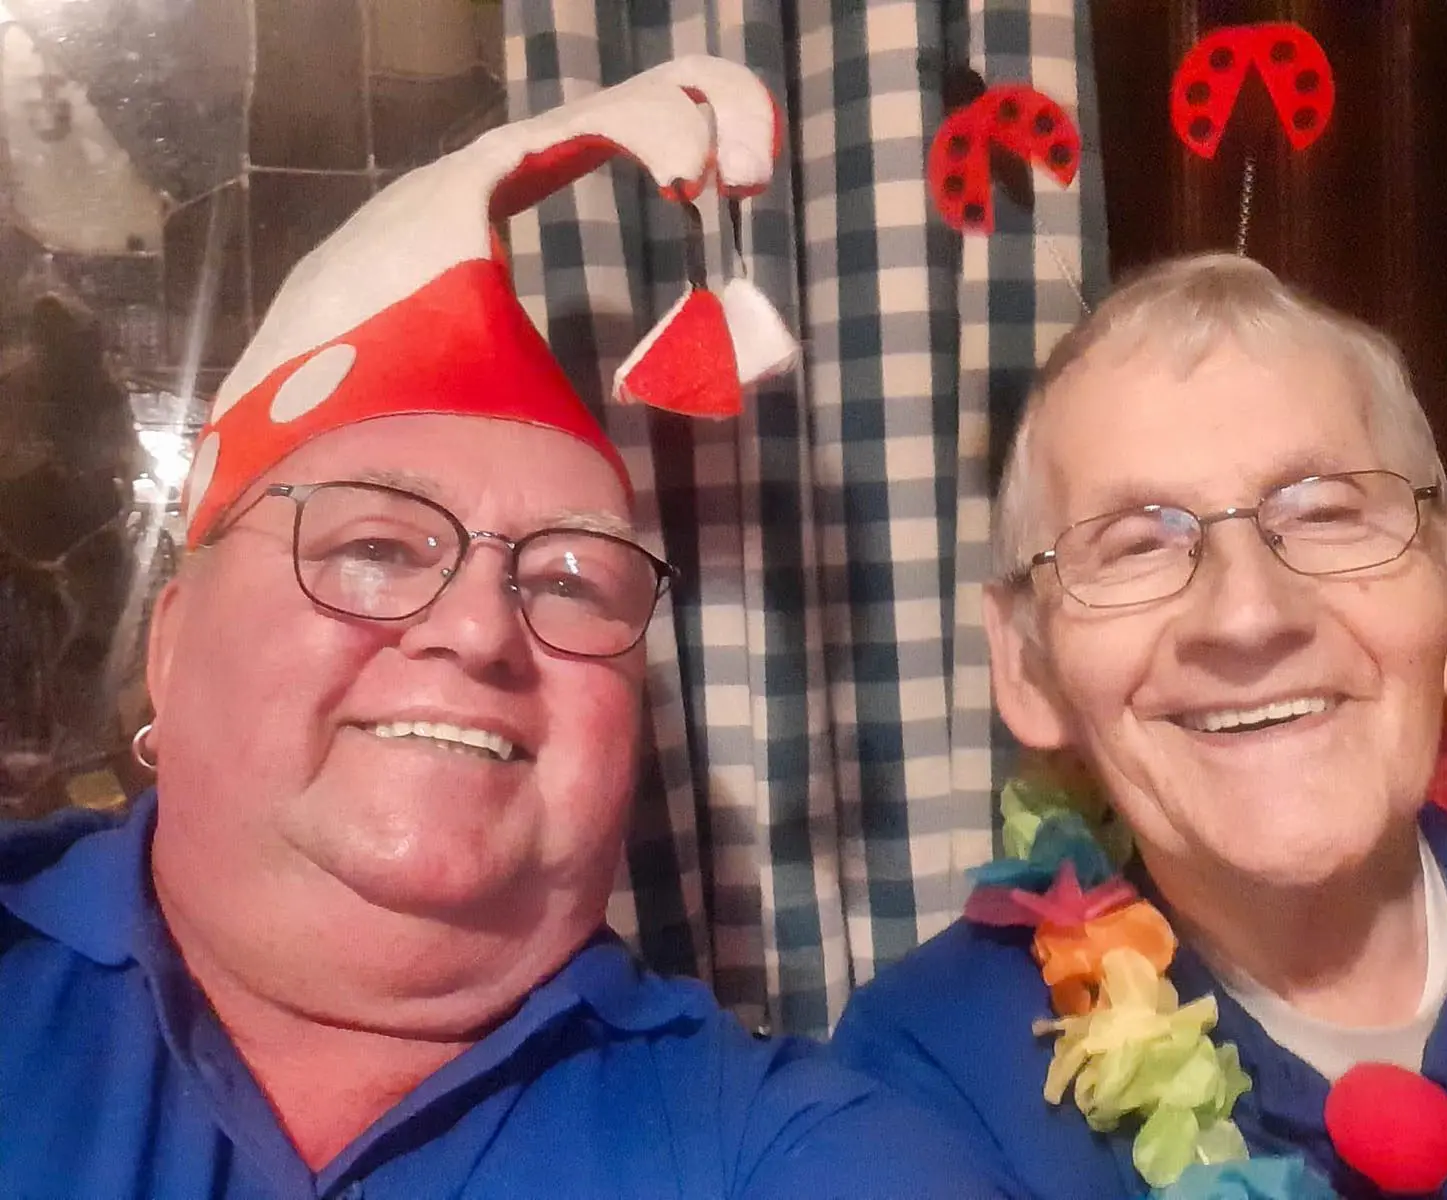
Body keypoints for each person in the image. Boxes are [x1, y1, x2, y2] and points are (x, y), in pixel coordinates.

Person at [0, 58, 1012, 1199]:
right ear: (171, 648)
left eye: (571, 582)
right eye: (377, 548)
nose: (481, 629)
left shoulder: (785, 1147)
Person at [832, 253, 1447, 1196]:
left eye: (1326, 512)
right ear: (1026, 665)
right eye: (1135, 546)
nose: (1247, 616)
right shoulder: (927, 1085)